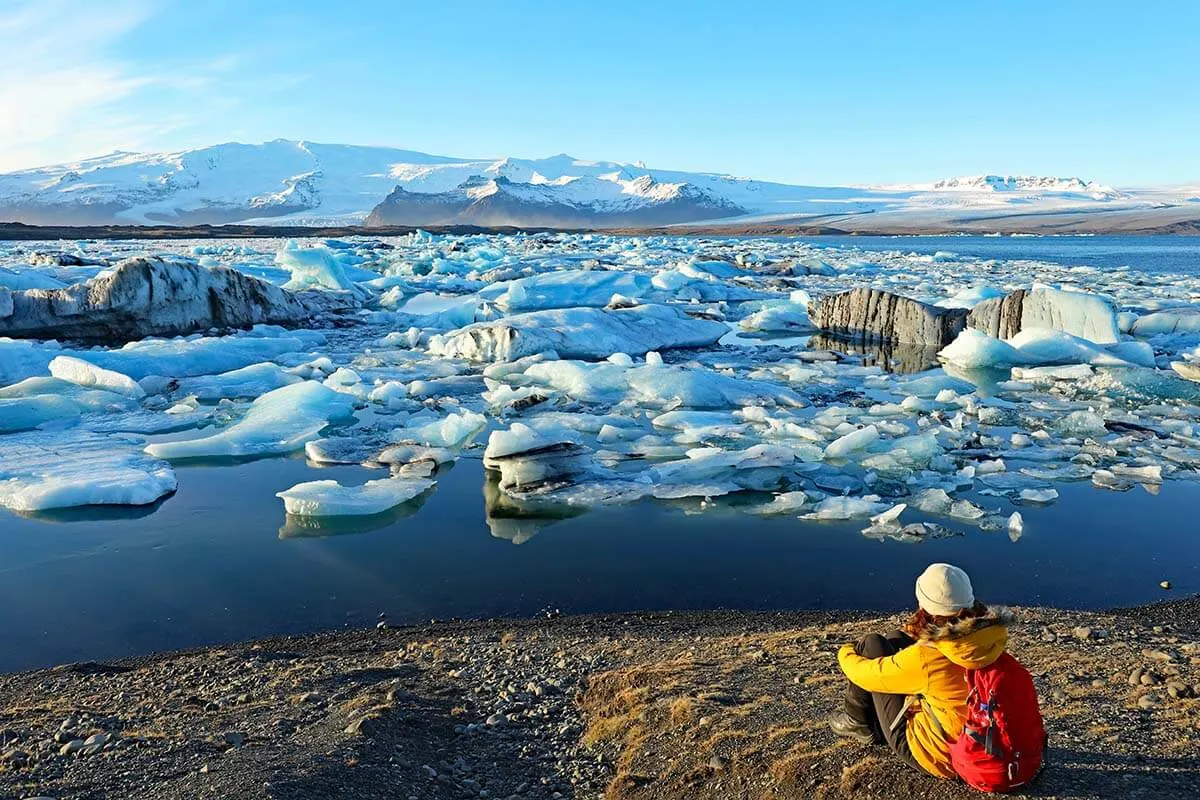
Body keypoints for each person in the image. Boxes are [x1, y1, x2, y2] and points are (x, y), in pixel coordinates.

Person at [828, 562, 1015, 780]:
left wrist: (845, 650)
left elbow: (865, 674)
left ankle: (857, 722)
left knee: (871, 645)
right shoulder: (987, 642)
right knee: (894, 639)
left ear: (924, 604)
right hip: (985, 741)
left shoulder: (927, 657)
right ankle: (867, 719)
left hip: (941, 756)